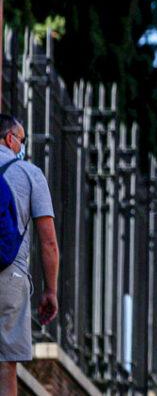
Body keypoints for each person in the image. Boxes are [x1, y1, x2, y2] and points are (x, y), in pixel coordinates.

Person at [0, 114, 58, 396]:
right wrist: (50, 291)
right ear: (10, 138)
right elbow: (48, 242)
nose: (22, 146)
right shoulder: (29, 173)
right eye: (22, 140)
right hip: (10, 275)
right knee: (5, 365)